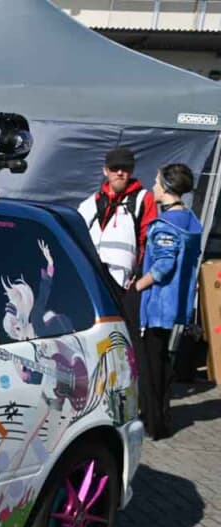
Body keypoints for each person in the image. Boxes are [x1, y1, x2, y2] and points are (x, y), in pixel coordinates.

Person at [129, 163, 203, 440]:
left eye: (157, 182)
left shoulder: (166, 225)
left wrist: (137, 286)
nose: (153, 187)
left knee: (150, 364)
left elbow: (163, 266)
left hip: (158, 303)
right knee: (162, 361)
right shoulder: (190, 219)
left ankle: (153, 422)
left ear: (168, 187)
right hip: (176, 302)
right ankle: (162, 417)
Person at [78, 147, 158, 310]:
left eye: (125, 168)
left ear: (131, 171)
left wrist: (138, 276)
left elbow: (149, 242)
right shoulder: (91, 202)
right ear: (105, 171)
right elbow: (75, 237)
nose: (120, 173)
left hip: (123, 282)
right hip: (91, 277)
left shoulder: (143, 199)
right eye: (115, 168)